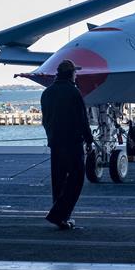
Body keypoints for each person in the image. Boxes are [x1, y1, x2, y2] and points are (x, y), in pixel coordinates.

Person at [40, 59, 94, 230]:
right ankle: (59, 214)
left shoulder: (47, 93)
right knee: (77, 178)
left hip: (55, 142)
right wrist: (89, 139)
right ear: (71, 73)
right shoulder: (74, 92)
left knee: (58, 180)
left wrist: (51, 137)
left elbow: (45, 120)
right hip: (72, 143)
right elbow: (82, 119)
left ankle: (61, 217)